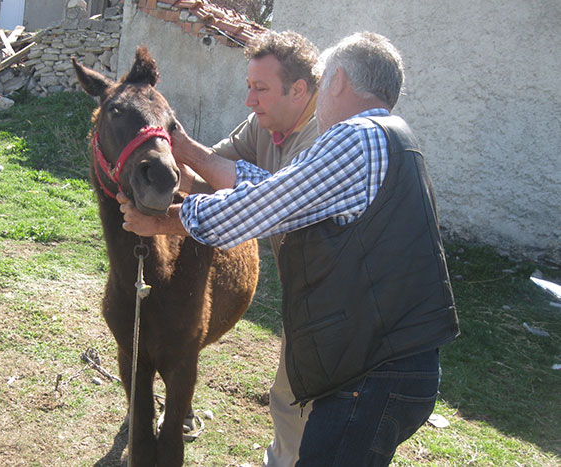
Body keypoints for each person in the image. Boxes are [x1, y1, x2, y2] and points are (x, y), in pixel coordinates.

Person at [119, 31, 460, 466]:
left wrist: (165, 221)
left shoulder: (356, 137)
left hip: (370, 369)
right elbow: (280, 193)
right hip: (391, 363)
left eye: (325, 83)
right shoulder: (392, 138)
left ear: (335, 82)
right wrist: (190, 164)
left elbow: (265, 207)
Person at [171, 30, 321, 467]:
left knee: (310, 398)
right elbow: (206, 177)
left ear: (298, 91)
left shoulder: (321, 140)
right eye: (248, 86)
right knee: (289, 395)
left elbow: (260, 203)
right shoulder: (264, 125)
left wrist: (189, 152)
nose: (249, 100)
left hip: (340, 294)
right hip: (304, 287)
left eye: (260, 89)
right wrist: (160, 168)